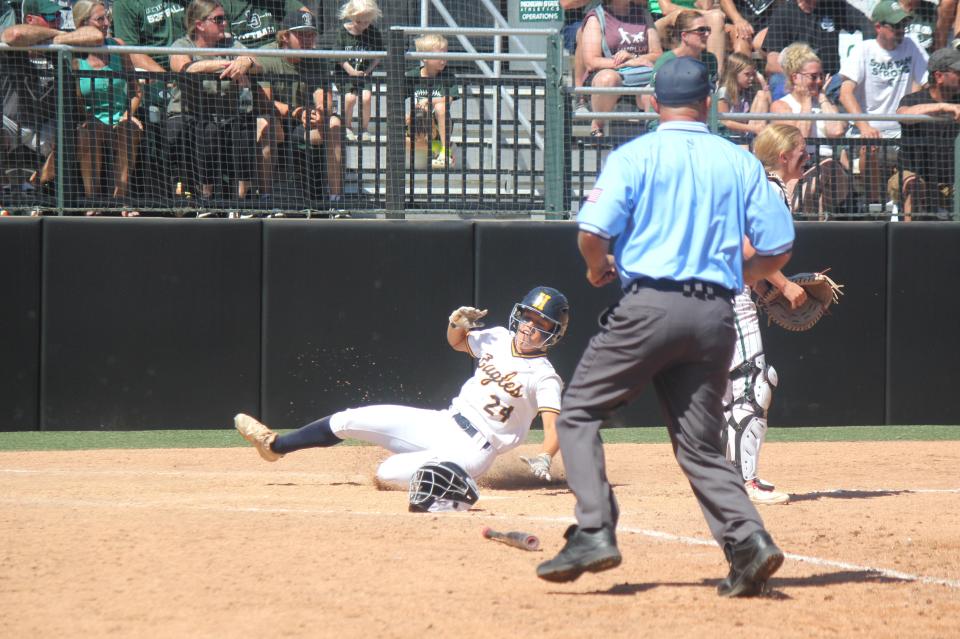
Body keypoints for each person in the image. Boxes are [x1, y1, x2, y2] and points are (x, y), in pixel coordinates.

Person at [535, 57, 795, 599]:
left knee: (579, 412)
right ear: (709, 103)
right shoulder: (740, 161)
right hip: (715, 315)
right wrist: (736, 275)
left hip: (650, 305)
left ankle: (593, 530)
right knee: (700, 445)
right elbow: (777, 248)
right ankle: (748, 542)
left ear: (654, 104)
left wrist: (593, 266)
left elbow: (592, 231)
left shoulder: (635, 154)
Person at [235, 286, 570, 489]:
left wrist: (545, 456)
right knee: (348, 419)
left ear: (554, 334)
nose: (529, 327)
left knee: (387, 473)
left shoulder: (544, 376)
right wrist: (456, 323)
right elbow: (457, 343)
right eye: (528, 316)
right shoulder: (498, 337)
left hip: (474, 450)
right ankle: (275, 446)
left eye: (541, 324)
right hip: (444, 422)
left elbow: (554, 428)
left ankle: (455, 486)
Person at [723, 123, 809, 507]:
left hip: (714, 291)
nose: (806, 157)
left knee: (731, 390)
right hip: (728, 297)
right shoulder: (770, 189)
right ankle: (746, 481)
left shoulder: (754, 186)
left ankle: (726, 477)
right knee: (754, 385)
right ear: (783, 156)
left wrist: (762, 284)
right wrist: (784, 284)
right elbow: (745, 246)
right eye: (801, 151)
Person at [1, 0, 104, 196]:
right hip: (13, 124)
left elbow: (96, 35)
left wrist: (55, 41)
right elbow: (15, 34)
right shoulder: (12, 43)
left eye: (58, 17)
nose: (57, 21)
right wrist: (58, 37)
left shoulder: (62, 44)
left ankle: (36, 186)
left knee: (87, 133)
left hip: (48, 126)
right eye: (50, 17)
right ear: (30, 19)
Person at [168, 0, 263, 208]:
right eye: (218, 19)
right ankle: (206, 199)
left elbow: (258, 63)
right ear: (199, 24)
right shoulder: (182, 45)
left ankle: (242, 201)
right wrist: (226, 64)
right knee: (206, 129)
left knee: (246, 126)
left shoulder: (230, 44)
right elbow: (183, 67)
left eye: (224, 18)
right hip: (189, 113)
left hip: (227, 114)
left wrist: (247, 61)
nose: (224, 24)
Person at [838, 0, 928, 206]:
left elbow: (926, 83)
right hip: (868, 130)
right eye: (895, 25)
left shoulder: (911, 45)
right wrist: (864, 126)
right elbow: (845, 93)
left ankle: (909, 209)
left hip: (901, 131)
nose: (901, 30)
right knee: (870, 145)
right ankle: (874, 207)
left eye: (903, 25)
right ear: (878, 26)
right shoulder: (864, 50)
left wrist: (910, 109)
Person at [256, 10, 343, 207]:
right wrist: (297, 111)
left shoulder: (316, 58)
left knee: (334, 122)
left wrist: (320, 112)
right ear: (285, 36)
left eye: (311, 34)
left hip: (304, 125)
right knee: (265, 123)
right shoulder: (267, 55)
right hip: (276, 121)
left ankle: (335, 200)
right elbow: (265, 102)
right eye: (301, 34)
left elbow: (325, 96)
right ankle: (266, 199)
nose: (308, 39)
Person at [72, 0, 144, 217]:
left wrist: (128, 113)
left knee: (128, 129)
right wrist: (85, 118)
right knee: (89, 132)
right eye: (100, 19)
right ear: (83, 23)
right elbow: (74, 100)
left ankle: (121, 199)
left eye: (107, 17)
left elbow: (136, 91)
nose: (106, 23)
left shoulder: (118, 46)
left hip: (121, 115)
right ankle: (92, 199)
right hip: (91, 120)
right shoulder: (73, 56)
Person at [771, 42, 851, 216]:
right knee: (815, 194)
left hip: (832, 171)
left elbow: (837, 130)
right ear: (795, 78)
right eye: (813, 77)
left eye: (821, 76)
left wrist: (822, 97)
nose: (819, 81)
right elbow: (801, 137)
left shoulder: (826, 105)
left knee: (827, 166)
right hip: (800, 168)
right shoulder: (782, 106)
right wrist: (807, 100)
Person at [890, 46, 960, 220]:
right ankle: (906, 241)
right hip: (914, 177)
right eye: (958, 72)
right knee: (912, 183)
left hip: (950, 182)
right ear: (939, 76)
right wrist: (943, 107)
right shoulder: (913, 99)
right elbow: (903, 115)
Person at [579, 0, 662, 137]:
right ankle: (597, 124)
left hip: (640, 75)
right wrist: (627, 62)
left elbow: (657, 54)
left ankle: (651, 135)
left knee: (654, 85)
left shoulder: (643, 14)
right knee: (608, 79)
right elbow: (591, 62)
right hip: (607, 74)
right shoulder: (596, 17)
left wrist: (635, 58)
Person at [762, 0, 863, 101]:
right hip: (796, 81)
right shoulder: (784, 12)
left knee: (848, 85)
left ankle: (859, 117)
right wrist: (803, 78)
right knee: (777, 80)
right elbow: (772, 62)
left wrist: (871, 48)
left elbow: (865, 24)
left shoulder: (835, 6)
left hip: (829, 81)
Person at [405, 33, 461, 170]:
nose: (443, 60)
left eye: (445, 55)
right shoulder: (412, 76)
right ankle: (439, 149)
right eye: (438, 56)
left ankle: (444, 151)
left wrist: (429, 101)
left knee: (441, 107)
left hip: (438, 124)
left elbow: (449, 99)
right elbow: (396, 99)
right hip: (417, 125)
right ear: (424, 58)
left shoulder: (447, 76)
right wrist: (406, 116)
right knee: (415, 114)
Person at [333, 0, 383, 143]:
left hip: (364, 74)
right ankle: (347, 126)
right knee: (350, 98)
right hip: (345, 74)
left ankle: (364, 128)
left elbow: (378, 56)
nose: (363, 25)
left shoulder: (373, 32)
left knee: (366, 97)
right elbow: (338, 57)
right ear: (351, 16)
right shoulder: (342, 32)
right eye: (359, 21)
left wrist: (368, 71)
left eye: (366, 22)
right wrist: (350, 71)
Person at [648, 0, 726, 72]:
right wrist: (705, 13)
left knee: (716, 18)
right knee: (679, 14)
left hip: (692, 17)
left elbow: (706, 7)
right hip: (659, 18)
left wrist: (705, 13)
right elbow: (667, 9)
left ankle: (715, 78)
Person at [652, 10, 719, 87]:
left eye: (708, 29)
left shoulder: (710, 59)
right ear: (684, 35)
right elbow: (653, 93)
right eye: (701, 30)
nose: (707, 34)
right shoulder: (666, 61)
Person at [716, 51, 770, 145]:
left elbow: (768, 99)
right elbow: (725, 121)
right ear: (734, 73)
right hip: (728, 138)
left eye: (753, 75)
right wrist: (753, 128)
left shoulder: (748, 91)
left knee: (762, 95)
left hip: (746, 135)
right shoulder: (723, 92)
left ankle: (758, 142)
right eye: (747, 74)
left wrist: (762, 80)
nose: (751, 78)